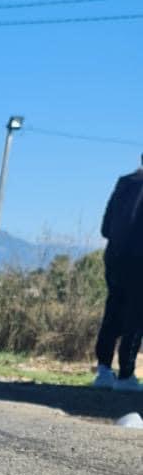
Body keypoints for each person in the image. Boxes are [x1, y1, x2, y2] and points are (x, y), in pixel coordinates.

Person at [92, 156, 143, 389]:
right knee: (136, 315)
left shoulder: (124, 183)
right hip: (140, 259)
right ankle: (126, 374)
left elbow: (105, 228)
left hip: (115, 257)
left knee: (113, 310)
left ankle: (103, 370)